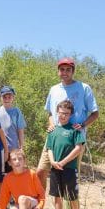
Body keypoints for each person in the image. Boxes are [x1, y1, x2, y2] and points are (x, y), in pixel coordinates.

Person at [37, 57, 99, 190]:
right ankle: (39, 207)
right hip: (54, 137)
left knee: (70, 179)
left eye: (68, 70)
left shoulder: (84, 88)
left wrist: (82, 125)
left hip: (74, 140)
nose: (65, 72)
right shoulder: (54, 89)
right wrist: (51, 124)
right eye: (62, 69)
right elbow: (50, 113)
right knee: (41, 171)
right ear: (58, 71)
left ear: (73, 71)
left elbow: (95, 114)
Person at [46, 100, 85, 209]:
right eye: (61, 113)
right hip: (55, 168)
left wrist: (63, 162)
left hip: (69, 168)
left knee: (72, 197)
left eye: (66, 114)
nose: (63, 116)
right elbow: (49, 148)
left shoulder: (74, 129)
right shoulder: (53, 130)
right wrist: (52, 161)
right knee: (57, 196)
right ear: (57, 112)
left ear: (70, 115)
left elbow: (78, 148)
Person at [0, 85, 27, 209]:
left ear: (13, 97)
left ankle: (15, 208)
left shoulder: (16, 112)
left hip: (13, 152)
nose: (7, 98)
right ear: (1, 97)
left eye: (9, 96)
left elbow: (20, 130)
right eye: (4, 96)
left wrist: (21, 148)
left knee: (14, 179)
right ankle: (0, 208)